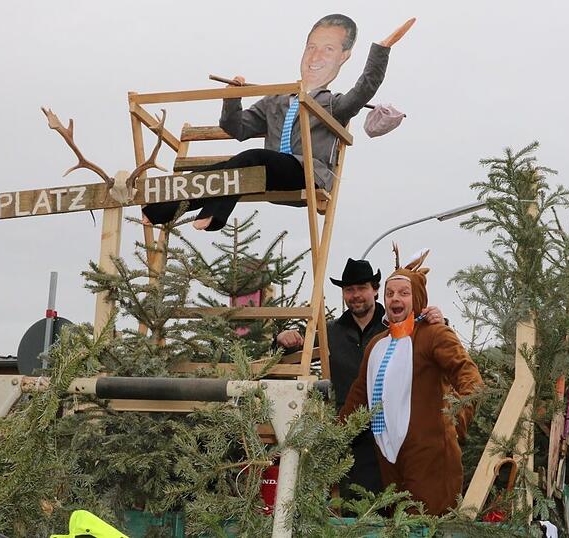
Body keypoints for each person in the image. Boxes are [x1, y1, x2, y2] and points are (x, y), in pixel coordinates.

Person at [142, 14, 416, 231]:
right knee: (220, 168)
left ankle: (215, 214)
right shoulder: (276, 100)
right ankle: (157, 212)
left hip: (306, 173)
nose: (316, 56)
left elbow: (364, 88)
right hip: (268, 171)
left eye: (328, 49)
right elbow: (236, 128)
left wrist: (382, 49)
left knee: (251, 157)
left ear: (343, 57)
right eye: (312, 48)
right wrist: (233, 97)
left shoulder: (333, 104)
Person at [275, 258, 444, 496]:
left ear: (375, 290)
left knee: (403, 502)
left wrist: (440, 321)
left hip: (397, 429)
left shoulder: (401, 324)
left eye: (362, 288)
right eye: (349, 290)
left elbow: (436, 347)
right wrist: (282, 340)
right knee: (355, 506)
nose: (356, 295)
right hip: (352, 436)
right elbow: (291, 354)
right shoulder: (329, 333)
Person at [338, 249, 483, 515]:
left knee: (425, 524)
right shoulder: (376, 345)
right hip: (390, 458)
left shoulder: (434, 334)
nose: (395, 298)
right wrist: (332, 439)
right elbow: (358, 399)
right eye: (390, 293)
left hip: (431, 455)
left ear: (415, 298)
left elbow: (469, 378)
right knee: (400, 526)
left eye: (403, 293)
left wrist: (456, 421)